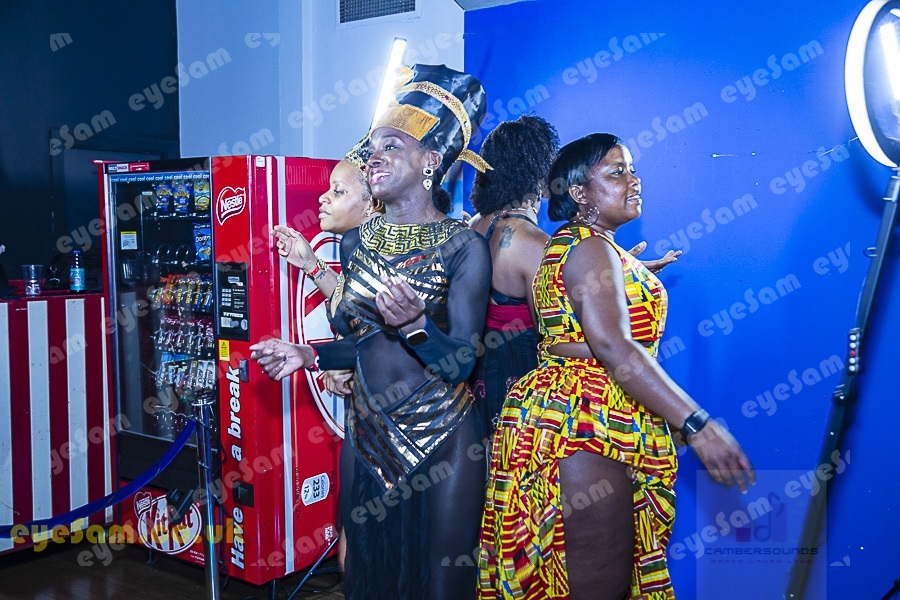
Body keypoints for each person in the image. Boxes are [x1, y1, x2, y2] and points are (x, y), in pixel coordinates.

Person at [251, 63, 493, 600]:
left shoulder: (464, 247)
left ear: (431, 161)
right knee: (363, 578)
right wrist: (309, 355)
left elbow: (462, 363)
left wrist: (417, 327)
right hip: (367, 434)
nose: (374, 157)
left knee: (442, 586)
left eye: (392, 146)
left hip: (443, 437)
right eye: (373, 148)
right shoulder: (357, 243)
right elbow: (366, 343)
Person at [477, 133, 755, 599]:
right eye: (616, 172)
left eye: (632, 169)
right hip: (587, 420)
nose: (633, 180)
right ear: (579, 192)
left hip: (567, 411)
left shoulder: (575, 245)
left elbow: (574, 330)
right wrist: (698, 424)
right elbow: (613, 346)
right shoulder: (590, 247)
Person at [466, 115, 559, 434]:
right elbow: (553, 336)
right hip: (523, 391)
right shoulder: (536, 244)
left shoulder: (476, 225)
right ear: (539, 171)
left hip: (475, 383)